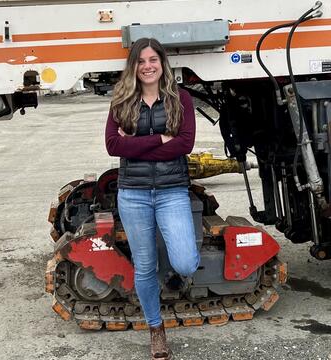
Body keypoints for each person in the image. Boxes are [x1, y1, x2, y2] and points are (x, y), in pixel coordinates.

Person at [105, 37, 200, 360]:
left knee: (186, 261)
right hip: (133, 194)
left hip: (172, 190)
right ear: (133, 66)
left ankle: (163, 288)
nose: (147, 66)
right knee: (145, 266)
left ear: (162, 64)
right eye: (141, 61)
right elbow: (113, 147)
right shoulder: (121, 101)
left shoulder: (181, 99)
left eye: (153, 60)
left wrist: (136, 144)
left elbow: (185, 144)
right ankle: (156, 328)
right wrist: (160, 138)